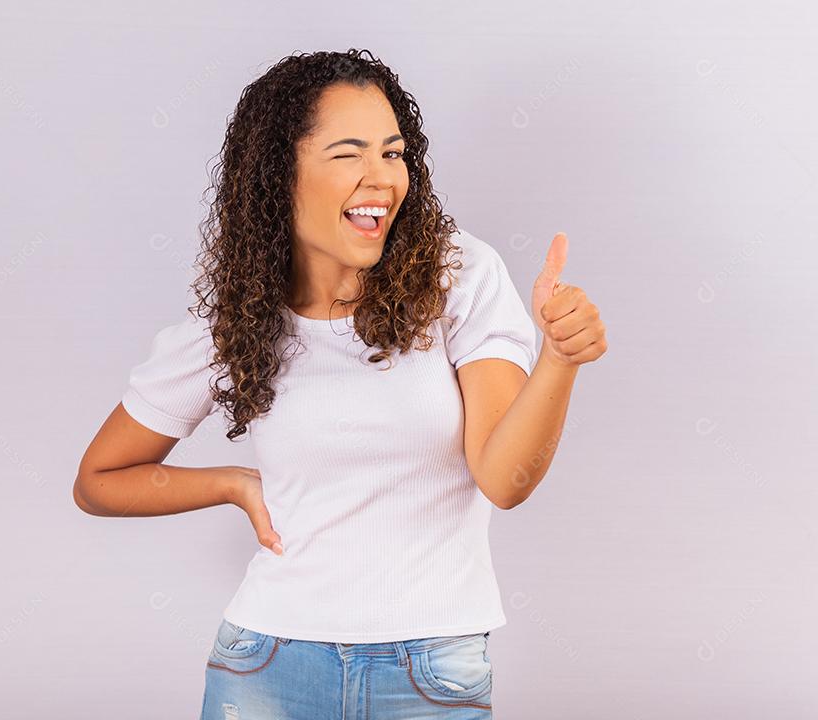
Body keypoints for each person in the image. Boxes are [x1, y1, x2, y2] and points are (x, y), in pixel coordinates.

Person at [74, 48, 607, 719]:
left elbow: (504, 478)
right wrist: (231, 484)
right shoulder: (237, 325)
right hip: (265, 668)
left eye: (393, 153)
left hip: (429, 674)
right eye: (349, 153)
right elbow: (99, 480)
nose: (381, 178)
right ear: (279, 175)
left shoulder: (459, 275)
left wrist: (558, 360)